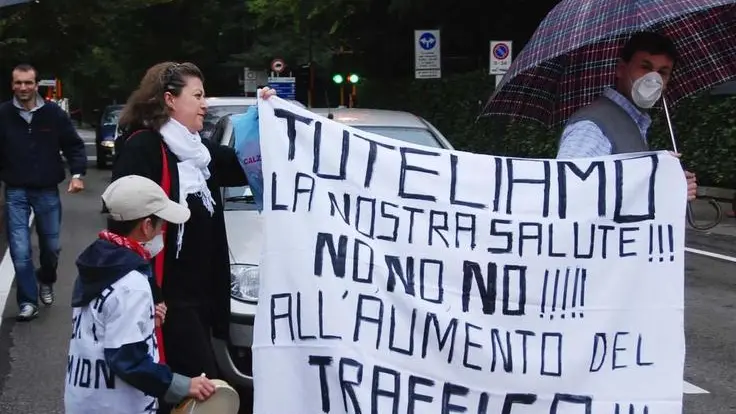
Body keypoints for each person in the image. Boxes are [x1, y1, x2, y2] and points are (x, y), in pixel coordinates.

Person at [111, 62, 275, 413]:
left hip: (201, 299)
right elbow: (124, 228)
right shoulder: (144, 148)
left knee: (189, 398)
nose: (204, 104)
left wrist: (270, 116)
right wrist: (150, 296)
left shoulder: (199, 153)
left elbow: (246, 165)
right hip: (168, 299)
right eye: (197, 96)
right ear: (169, 99)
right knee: (207, 394)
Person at [64, 174, 217, 414]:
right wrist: (184, 384)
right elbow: (128, 360)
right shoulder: (131, 284)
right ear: (146, 226)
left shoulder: (97, 266)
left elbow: (105, 321)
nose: (161, 232)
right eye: (161, 225)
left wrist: (146, 315)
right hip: (118, 406)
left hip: (86, 399)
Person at [556, 32, 697, 201]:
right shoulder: (592, 126)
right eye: (645, 67)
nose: (653, 79)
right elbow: (566, 191)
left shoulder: (634, 122)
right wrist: (658, 187)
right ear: (621, 69)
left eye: (663, 72)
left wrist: (669, 183)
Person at [0, 63, 86, 321]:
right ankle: (28, 302)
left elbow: (73, 145)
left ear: (36, 85)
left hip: (47, 190)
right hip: (15, 191)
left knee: (52, 247)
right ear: (12, 85)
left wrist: (78, 174)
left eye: (28, 83)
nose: (23, 88)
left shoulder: (53, 114)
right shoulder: (3, 114)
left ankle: (46, 279)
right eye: (18, 83)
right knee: (20, 250)